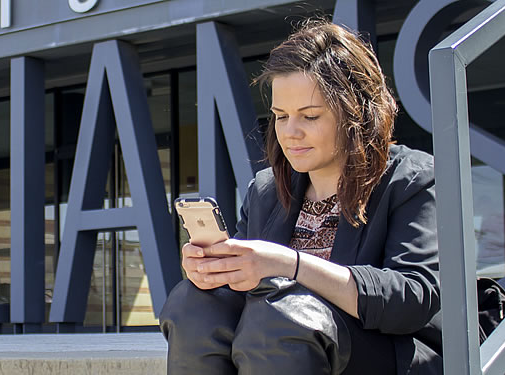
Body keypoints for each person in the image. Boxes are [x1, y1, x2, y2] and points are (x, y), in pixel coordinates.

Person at [159, 19, 442, 374]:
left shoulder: (411, 177)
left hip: (384, 354)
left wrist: (289, 264)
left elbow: (413, 299)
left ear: (356, 112)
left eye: (309, 116)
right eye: (280, 116)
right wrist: (215, 271)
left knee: (281, 315)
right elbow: (241, 298)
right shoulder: (266, 190)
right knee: (192, 304)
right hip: (278, 351)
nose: (290, 133)